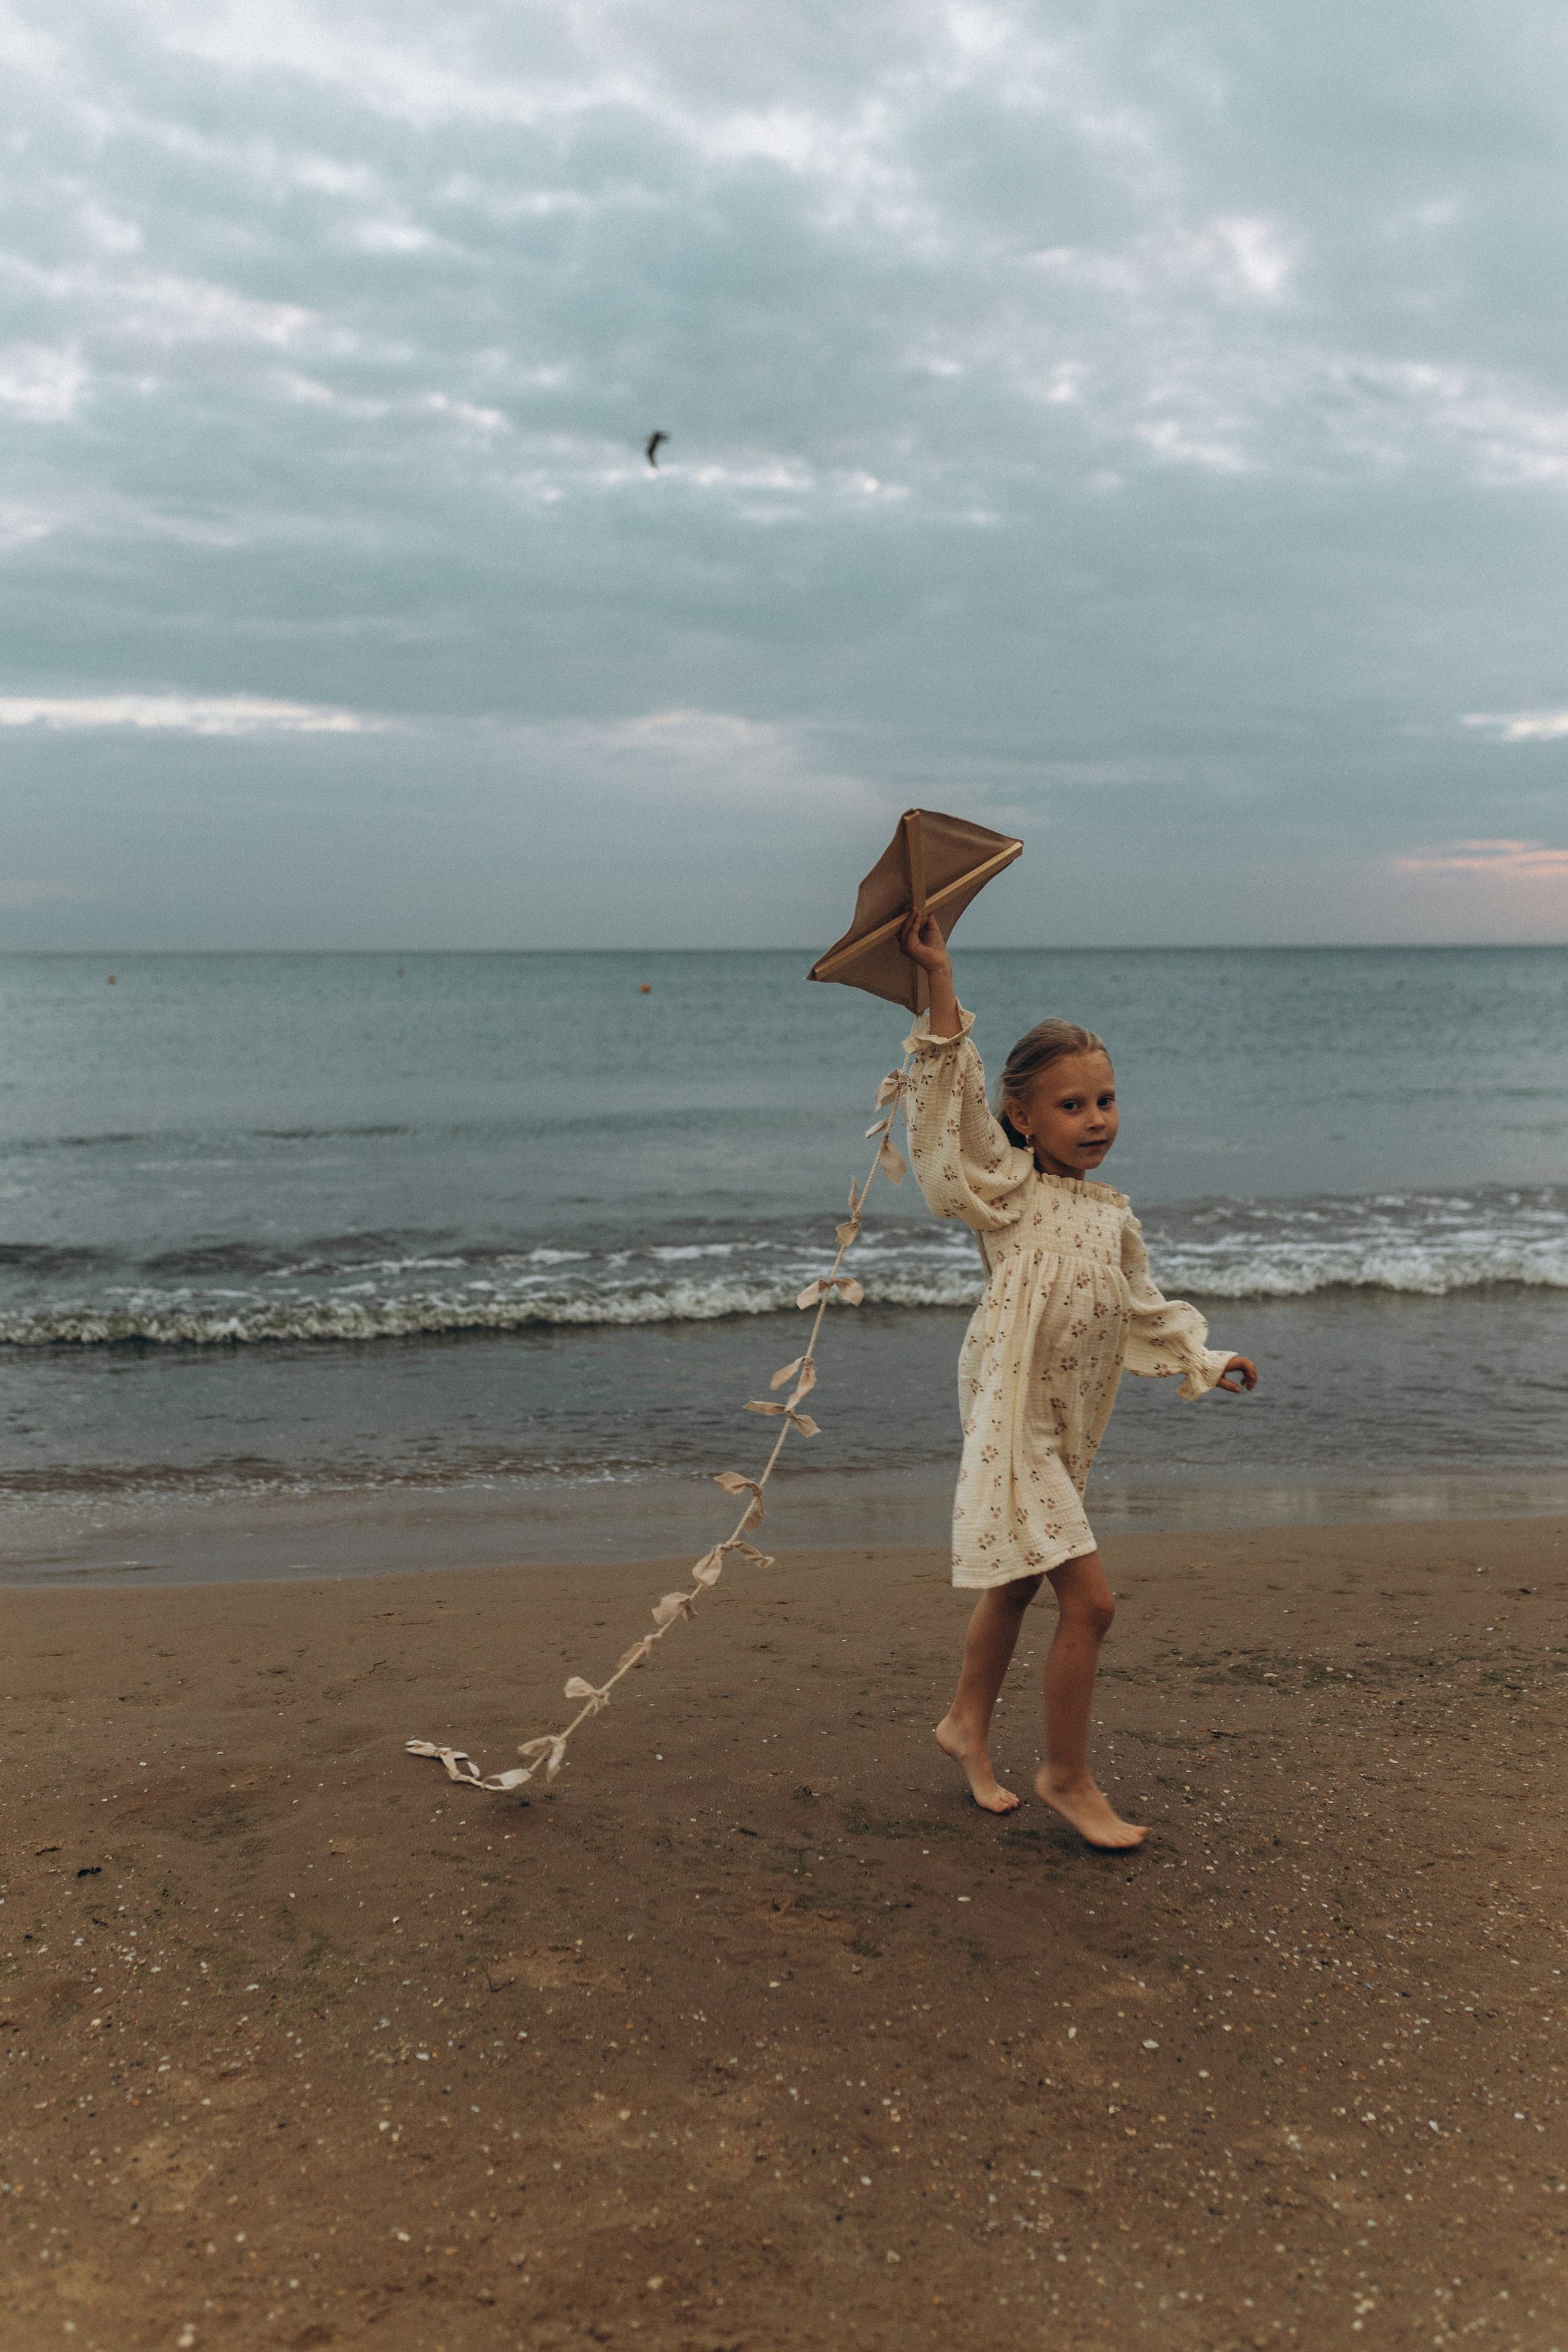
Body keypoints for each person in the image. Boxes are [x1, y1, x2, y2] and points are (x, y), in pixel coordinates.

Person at [899, 911, 1258, 1849]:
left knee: (1018, 1584)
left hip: (1066, 1422)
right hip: (1011, 1413)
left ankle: (965, 1724)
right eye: (1072, 1105)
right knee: (1091, 1604)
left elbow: (1140, 1305)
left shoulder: (1109, 1215)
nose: (1096, 1119)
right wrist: (940, 978)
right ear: (1023, 1118)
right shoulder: (1006, 1190)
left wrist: (1205, 1359)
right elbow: (951, 1101)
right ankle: (1066, 1775)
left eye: (1106, 1100)